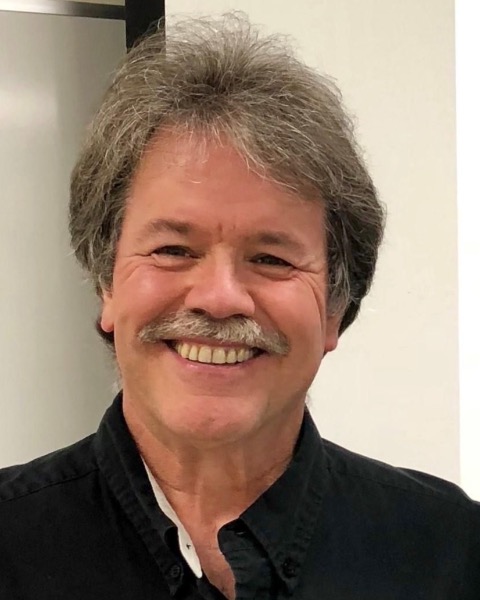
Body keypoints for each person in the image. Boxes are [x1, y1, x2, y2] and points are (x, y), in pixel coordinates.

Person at [0, 13, 478, 600]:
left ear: (335, 308)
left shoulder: (452, 555)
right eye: (173, 250)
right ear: (107, 285)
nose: (220, 297)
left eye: (271, 259)